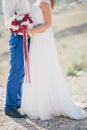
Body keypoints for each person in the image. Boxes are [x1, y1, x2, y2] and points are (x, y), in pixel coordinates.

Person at [21, 0, 87, 120]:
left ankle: (46, 106)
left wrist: (30, 31)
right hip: (37, 40)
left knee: (44, 68)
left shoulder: (44, 3)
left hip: (43, 40)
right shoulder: (38, 2)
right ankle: (38, 104)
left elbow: (48, 24)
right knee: (37, 69)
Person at [2, 0, 31, 118]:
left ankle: (17, 101)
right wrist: (20, 26)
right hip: (17, 36)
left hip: (26, 34)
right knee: (16, 71)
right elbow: (9, 21)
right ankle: (9, 106)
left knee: (22, 71)